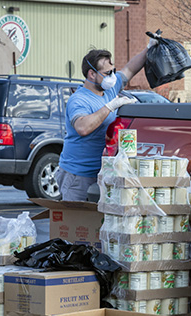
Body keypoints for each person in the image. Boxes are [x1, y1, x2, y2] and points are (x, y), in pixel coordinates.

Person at [57, 45, 150, 201]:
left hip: (102, 173)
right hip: (78, 176)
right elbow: (82, 127)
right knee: (76, 222)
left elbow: (130, 69)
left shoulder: (110, 89)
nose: (112, 77)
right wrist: (110, 106)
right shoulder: (79, 100)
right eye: (107, 73)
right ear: (92, 74)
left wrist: (149, 48)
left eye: (113, 71)